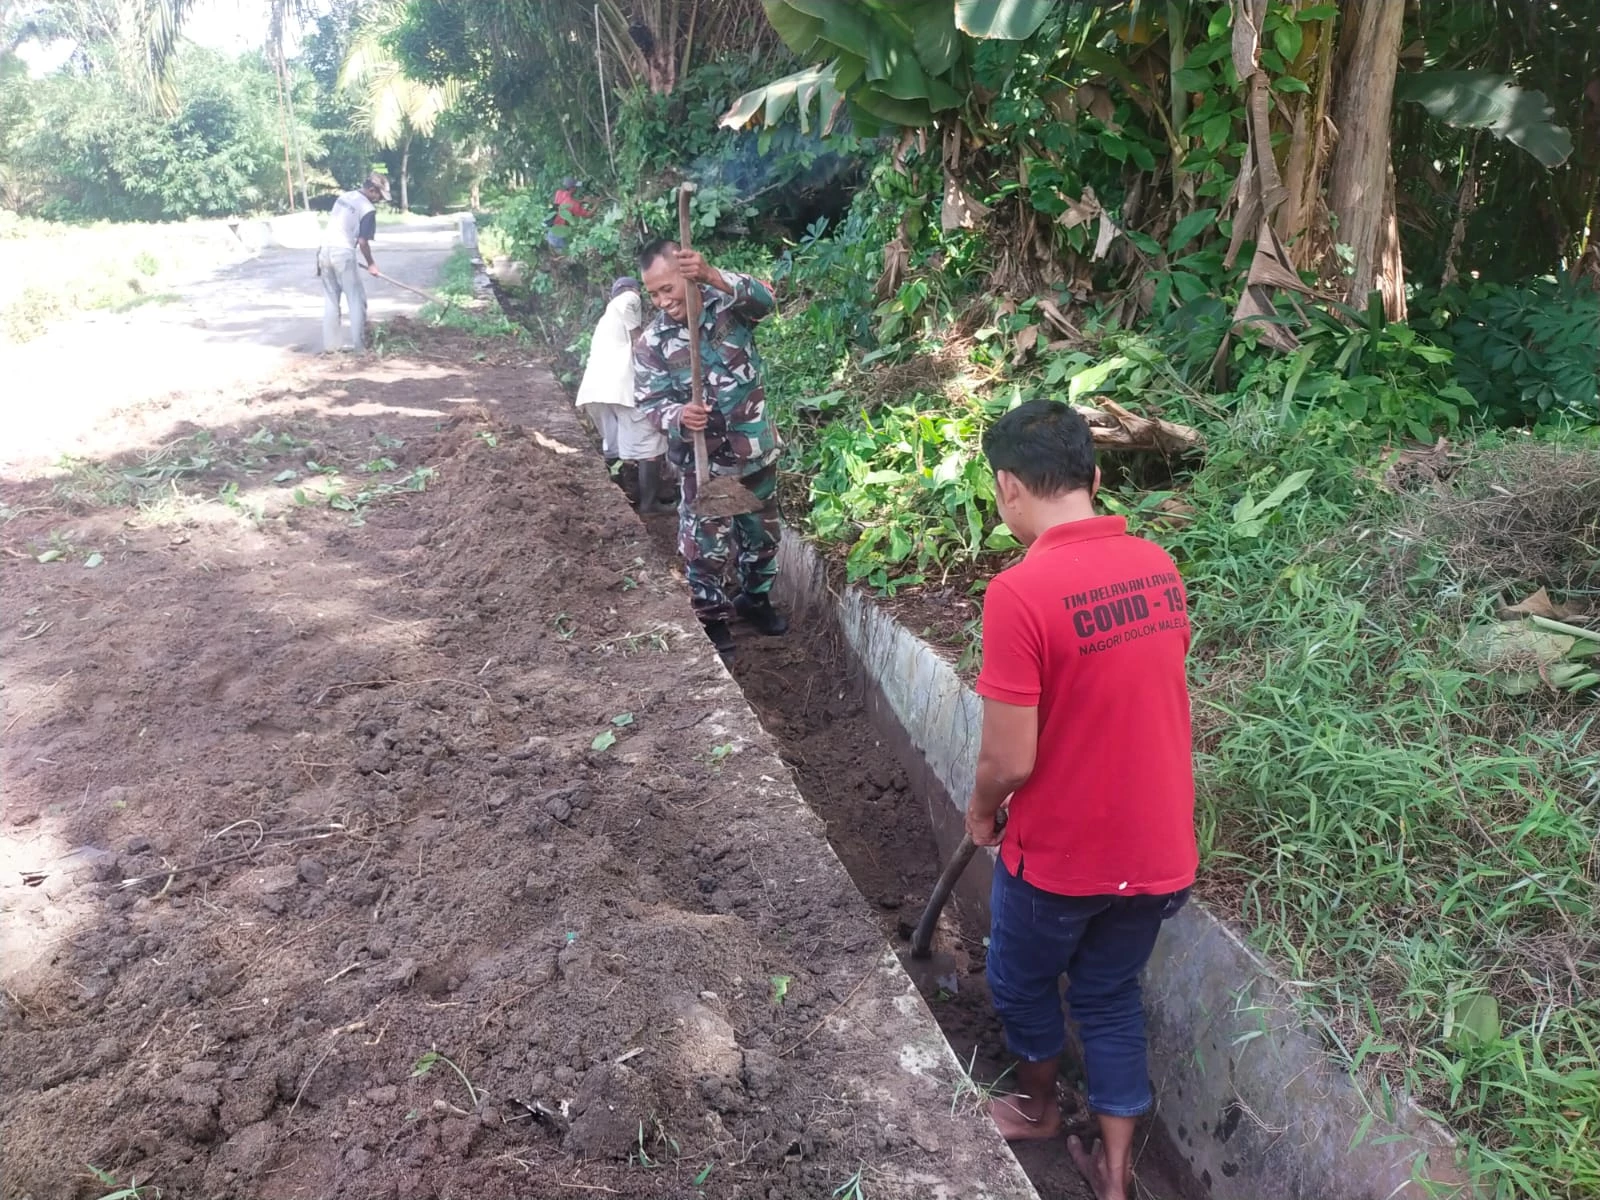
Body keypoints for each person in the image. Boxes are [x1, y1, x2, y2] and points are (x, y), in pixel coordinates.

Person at [966, 399, 1197, 1200]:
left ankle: (1035, 1106)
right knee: (1106, 993)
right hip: (1161, 855)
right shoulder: (1157, 565)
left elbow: (1009, 756)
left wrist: (979, 809)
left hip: (1062, 861)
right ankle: (1118, 1174)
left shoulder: (1020, 593)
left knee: (1021, 980)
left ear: (1007, 487)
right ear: (1096, 478)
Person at [633, 237, 787, 659]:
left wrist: (713, 276)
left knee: (762, 539)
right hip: (705, 463)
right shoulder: (653, 344)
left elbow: (766, 299)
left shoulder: (727, 305)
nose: (663, 301)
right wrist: (679, 416)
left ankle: (755, 600)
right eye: (654, 294)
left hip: (754, 451)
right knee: (705, 548)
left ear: (688, 275)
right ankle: (713, 620)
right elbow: (649, 403)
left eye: (668, 289)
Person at [574, 277, 670, 513]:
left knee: (616, 445)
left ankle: (625, 498)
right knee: (649, 441)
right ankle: (649, 504)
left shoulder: (605, 323)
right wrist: (640, 336)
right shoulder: (628, 298)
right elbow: (629, 305)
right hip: (620, 387)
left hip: (595, 390)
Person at [316, 173, 388, 353]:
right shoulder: (367, 209)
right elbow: (362, 241)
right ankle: (359, 348)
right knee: (357, 301)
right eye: (379, 196)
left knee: (331, 301)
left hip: (324, 251)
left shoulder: (344, 197)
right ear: (372, 190)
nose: (380, 200)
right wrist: (371, 264)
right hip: (343, 254)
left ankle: (331, 348)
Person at [547, 178, 592, 250]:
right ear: (572, 188)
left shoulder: (559, 193)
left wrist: (582, 201)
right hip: (559, 236)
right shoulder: (573, 203)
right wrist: (598, 202)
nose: (576, 189)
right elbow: (588, 214)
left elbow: (566, 203)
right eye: (575, 187)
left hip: (551, 232)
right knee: (568, 257)